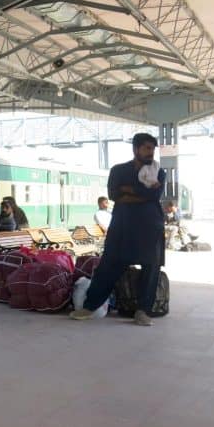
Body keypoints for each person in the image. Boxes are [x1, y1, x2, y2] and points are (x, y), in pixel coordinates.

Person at [71, 133, 165, 326]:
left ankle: (143, 312)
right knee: (109, 265)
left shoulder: (158, 171)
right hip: (123, 225)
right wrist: (142, 194)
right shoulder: (118, 170)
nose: (150, 152)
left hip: (150, 227)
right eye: (147, 148)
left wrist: (129, 190)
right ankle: (90, 307)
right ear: (136, 149)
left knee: (151, 267)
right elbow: (114, 195)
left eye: (152, 149)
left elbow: (154, 195)